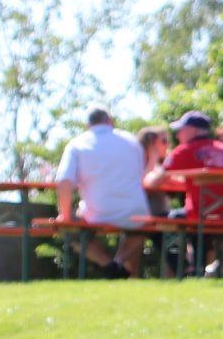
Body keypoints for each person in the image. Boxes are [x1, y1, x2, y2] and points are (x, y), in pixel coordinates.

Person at [54, 109, 152, 279]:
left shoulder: (77, 144)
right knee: (138, 229)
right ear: (110, 121)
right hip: (137, 213)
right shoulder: (131, 141)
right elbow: (142, 174)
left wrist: (65, 215)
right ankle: (121, 267)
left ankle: (110, 266)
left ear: (88, 124)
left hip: (98, 213)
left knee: (68, 227)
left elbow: (64, 182)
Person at [150, 111, 223, 276]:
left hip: (198, 214)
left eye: (181, 130)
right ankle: (202, 267)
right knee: (195, 218)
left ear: (193, 130)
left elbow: (152, 182)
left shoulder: (184, 151)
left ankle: (182, 270)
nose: (178, 134)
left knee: (157, 223)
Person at [138, 127, 172, 219]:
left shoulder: (161, 165)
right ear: (150, 144)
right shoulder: (136, 163)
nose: (168, 144)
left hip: (161, 214)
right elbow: (141, 184)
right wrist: (153, 157)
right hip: (144, 216)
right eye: (164, 141)